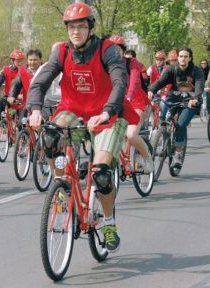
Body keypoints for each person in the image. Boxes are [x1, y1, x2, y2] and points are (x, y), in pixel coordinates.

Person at [27, 2, 138, 252]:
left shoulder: (108, 51)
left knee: (100, 173)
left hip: (107, 114)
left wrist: (107, 111)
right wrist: (34, 108)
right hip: (73, 111)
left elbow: (120, 83)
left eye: (80, 26)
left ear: (91, 28)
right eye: (71, 27)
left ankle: (108, 223)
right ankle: (63, 189)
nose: (75, 31)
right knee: (51, 138)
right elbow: (41, 81)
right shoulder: (62, 52)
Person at [148, 47, 204, 168]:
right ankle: (163, 136)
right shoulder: (171, 69)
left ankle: (178, 152)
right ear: (177, 57)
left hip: (190, 102)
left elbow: (199, 85)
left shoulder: (196, 70)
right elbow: (160, 81)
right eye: (181, 56)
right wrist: (152, 90)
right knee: (164, 119)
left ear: (190, 58)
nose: (183, 59)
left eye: (185, 56)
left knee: (180, 124)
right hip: (172, 99)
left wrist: (196, 98)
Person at [110, 35, 153, 173]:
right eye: (111, 50)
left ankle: (147, 158)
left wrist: (128, 96)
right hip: (116, 103)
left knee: (131, 135)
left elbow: (134, 81)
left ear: (123, 50)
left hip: (135, 102)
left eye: (119, 49)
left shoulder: (131, 63)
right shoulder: (106, 65)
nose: (115, 52)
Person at [7, 48, 43, 127]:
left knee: (42, 126)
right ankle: (24, 138)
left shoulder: (45, 70)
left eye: (35, 60)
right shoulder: (23, 70)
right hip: (27, 102)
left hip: (42, 103)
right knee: (21, 125)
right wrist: (12, 95)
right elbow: (16, 84)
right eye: (30, 60)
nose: (32, 62)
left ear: (40, 60)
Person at [0, 49, 25, 119]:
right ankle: (2, 123)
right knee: (1, 104)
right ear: (12, 61)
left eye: (21, 61)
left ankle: (16, 120)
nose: (20, 63)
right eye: (18, 61)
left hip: (21, 98)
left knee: (21, 120)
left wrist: (23, 95)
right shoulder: (6, 70)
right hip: (8, 97)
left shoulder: (25, 70)